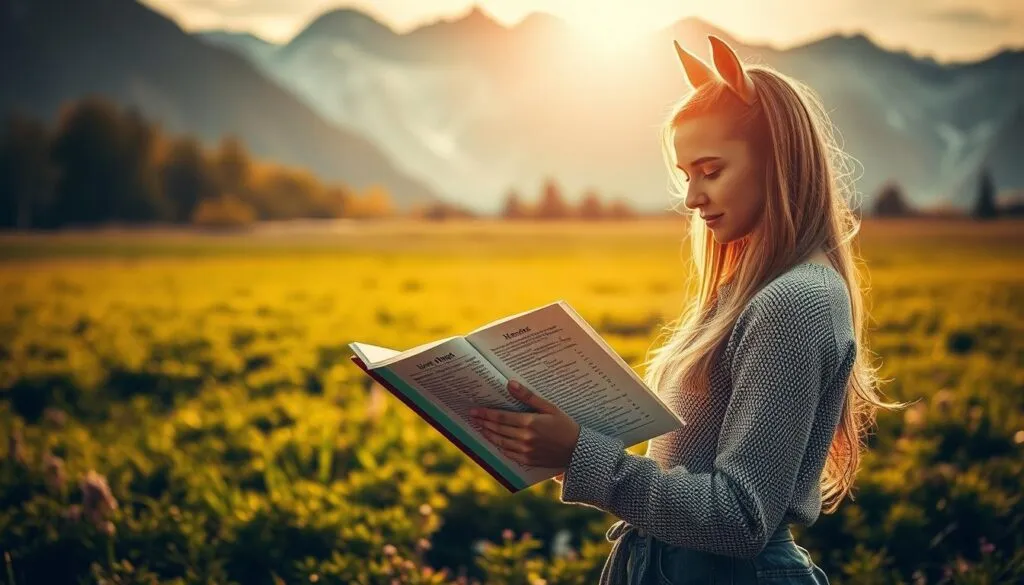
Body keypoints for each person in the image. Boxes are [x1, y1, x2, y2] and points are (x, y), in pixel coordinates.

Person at [468, 34, 906, 584]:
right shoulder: (751, 291)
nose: (693, 197)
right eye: (686, 175)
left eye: (711, 170)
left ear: (778, 161)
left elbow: (740, 519)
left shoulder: (796, 302)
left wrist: (584, 455)